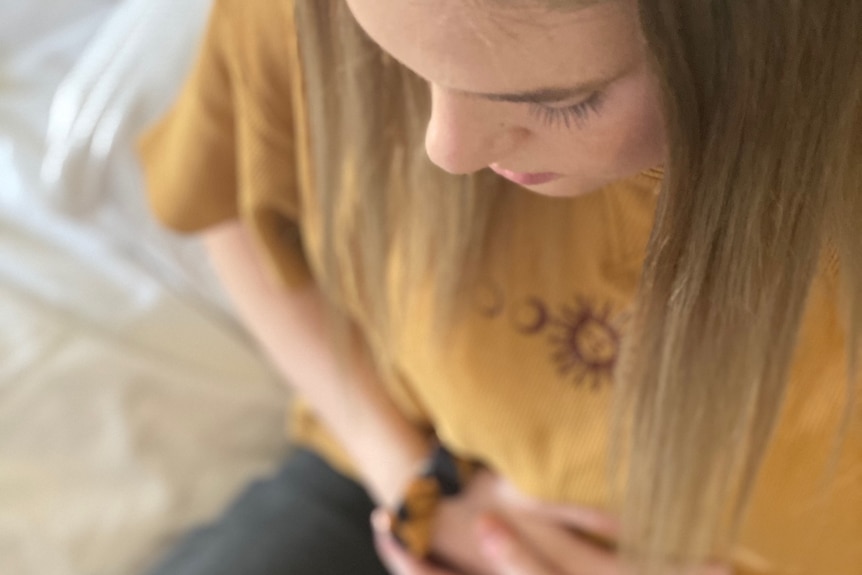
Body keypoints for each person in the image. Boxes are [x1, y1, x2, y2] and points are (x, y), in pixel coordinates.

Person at [139, 0, 862, 574]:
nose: (447, 149)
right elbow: (231, 205)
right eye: (398, 60)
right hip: (415, 479)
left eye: (563, 101)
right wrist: (411, 480)